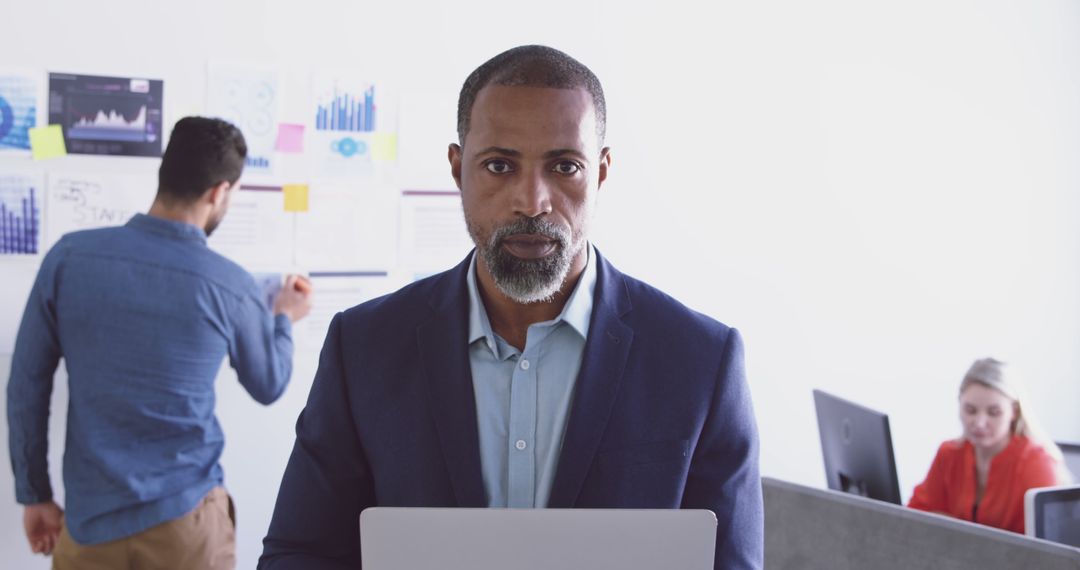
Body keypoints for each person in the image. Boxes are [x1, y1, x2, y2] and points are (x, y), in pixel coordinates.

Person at [260, 45, 762, 569]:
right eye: (499, 165)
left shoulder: (701, 361)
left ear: (602, 172)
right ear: (458, 169)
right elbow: (301, 554)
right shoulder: (363, 346)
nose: (531, 200)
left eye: (565, 166)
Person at [7, 117, 313, 569]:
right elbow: (268, 383)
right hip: (186, 526)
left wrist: (34, 494)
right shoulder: (228, 283)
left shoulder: (68, 259)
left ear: (164, 175)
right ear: (218, 192)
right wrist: (284, 318)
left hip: (90, 526)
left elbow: (26, 385)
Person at [908, 357, 1070, 533]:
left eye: (994, 413)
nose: (979, 423)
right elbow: (914, 516)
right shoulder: (949, 454)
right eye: (970, 410)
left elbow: (1043, 546)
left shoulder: (1037, 464)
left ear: (1014, 412)